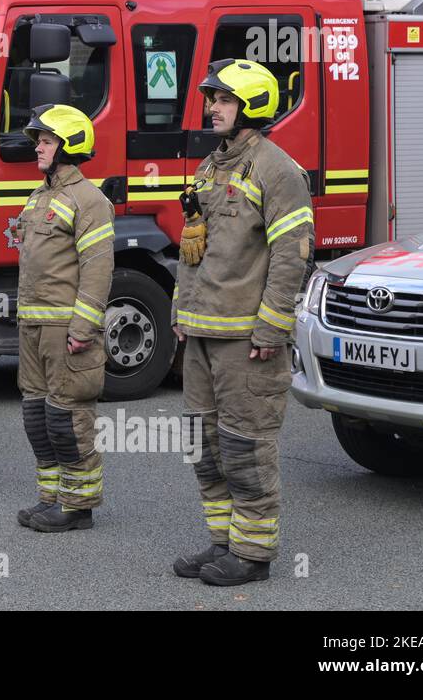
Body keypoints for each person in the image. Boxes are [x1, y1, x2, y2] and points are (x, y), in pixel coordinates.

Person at [172, 59, 314, 586]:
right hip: (202, 332)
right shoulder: (213, 166)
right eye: (212, 98)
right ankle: (222, 543)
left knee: (245, 445)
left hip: (244, 340)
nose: (212, 107)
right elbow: (195, 248)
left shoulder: (277, 170)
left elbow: (291, 255)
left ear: (251, 106)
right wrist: (179, 314)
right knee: (202, 444)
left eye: (224, 99)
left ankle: (252, 555)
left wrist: (271, 329)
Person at [12, 104, 114, 532]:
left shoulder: (88, 200)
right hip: (32, 324)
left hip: (64, 328)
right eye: (38, 139)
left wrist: (83, 328)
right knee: (37, 416)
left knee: (68, 417)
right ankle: (51, 497)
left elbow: (98, 267)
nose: (38, 147)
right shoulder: (41, 195)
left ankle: (77, 507)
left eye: (47, 140)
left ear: (68, 146)